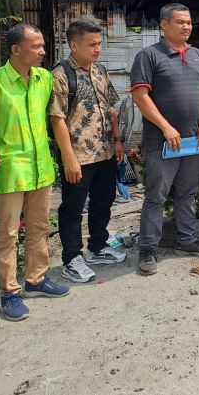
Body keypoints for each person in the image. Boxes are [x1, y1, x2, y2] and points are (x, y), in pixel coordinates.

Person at [0, 23, 69, 321]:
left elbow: (48, 119)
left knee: (40, 227)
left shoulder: (44, 78)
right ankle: (9, 292)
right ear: (16, 49)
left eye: (42, 46)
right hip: (9, 170)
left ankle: (36, 279)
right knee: (8, 233)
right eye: (36, 46)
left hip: (41, 167)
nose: (42, 51)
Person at [130, 4, 199, 275]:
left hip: (195, 140)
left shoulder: (197, 55)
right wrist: (166, 127)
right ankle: (148, 249)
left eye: (189, 22)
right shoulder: (148, 56)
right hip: (163, 142)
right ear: (164, 25)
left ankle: (187, 240)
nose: (186, 27)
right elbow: (140, 96)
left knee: (188, 193)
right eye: (180, 22)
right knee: (156, 196)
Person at [49, 20, 126, 284]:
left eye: (99, 44)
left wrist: (117, 139)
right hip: (79, 155)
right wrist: (68, 157)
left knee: (103, 200)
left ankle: (97, 247)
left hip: (104, 151)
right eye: (92, 45)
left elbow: (111, 106)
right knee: (72, 207)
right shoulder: (60, 74)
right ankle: (72, 258)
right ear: (74, 45)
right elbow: (56, 117)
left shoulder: (100, 70)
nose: (97, 49)